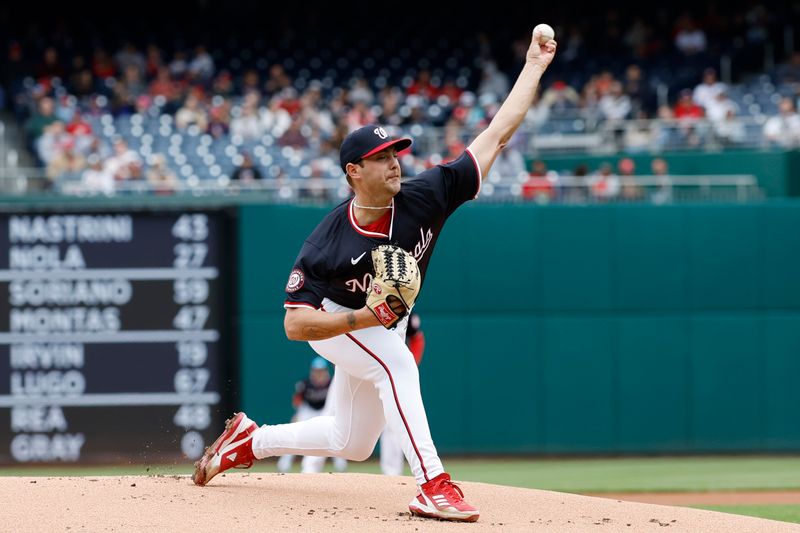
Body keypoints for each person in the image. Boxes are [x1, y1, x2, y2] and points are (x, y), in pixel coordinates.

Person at [193, 27, 557, 523]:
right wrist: (364, 318)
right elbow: (294, 326)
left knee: (352, 440)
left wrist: (534, 66)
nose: (394, 164)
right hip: (337, 321)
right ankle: (432, 483)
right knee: (398, 364)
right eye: (380, 158)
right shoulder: (328, 242)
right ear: (352, 173)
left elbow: (496, 135)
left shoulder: (426, 196)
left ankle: (248, 441)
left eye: (395, 154)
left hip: (384, 322)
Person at [276, 357, 348, 474]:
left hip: (324, 411)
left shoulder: (332, 383)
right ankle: (284, 463)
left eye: (321, 370)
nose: (319, 373)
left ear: (326, 371)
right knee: (297, 431)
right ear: (312, 371)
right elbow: (298, 401)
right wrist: (297, 415)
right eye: (316, 371)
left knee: (333, 431)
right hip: (308, 411)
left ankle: (341, 465)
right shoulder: (305, 384)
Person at [379, 312, 424, 476]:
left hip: (391, 370)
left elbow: (417, 337)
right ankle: (310, 470)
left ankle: (392, 474)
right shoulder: (360, 300)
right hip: (358, 366)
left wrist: (410, 365)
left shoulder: (407, 309)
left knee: (392, 422)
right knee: (335, 421)